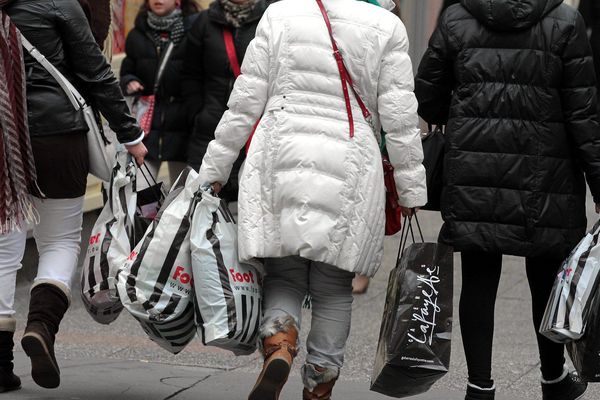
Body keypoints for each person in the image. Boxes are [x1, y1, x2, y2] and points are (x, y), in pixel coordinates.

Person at [197, 0, 427, 398]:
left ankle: (279, 344)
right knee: (334, 286)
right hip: (350, 163)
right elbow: (400, 117)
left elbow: (245, 100)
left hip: (279, 155)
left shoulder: (281, 14)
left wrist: (215, 169)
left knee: (284, 273)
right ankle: (319, 384)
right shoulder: (386, 26)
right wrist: (410, 188)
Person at [415, 1, 600, 400]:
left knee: (479, 278)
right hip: (545, 174)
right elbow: (584, 113)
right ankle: (553, 379)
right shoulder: (565, 22)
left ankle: (479, 386)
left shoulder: (457, 17)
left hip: (474, 169)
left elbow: (427, 95)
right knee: (546, 279)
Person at [0, 0, 147, 392]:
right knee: (61, 239)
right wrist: (130, 134)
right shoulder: (59, 4)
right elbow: (96, 73)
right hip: (57, 135)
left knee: (3, 248)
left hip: (3, 138)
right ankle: (41, 327)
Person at [182, 0, 270, 203]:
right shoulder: (205, 22)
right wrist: (198, 114)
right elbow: (190, 74)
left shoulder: (270, 18)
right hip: (209, 130)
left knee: (253, 208)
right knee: (200, 205)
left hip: (255, 131)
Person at [120, 0, 199, 188]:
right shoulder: (137, 34)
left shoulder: (194, 31)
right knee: (139, 193)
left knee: (181, 197)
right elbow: (127, 69)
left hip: (183, 123)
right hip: (148, 125)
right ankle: (146, 219)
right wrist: (129, 81)